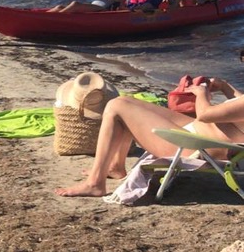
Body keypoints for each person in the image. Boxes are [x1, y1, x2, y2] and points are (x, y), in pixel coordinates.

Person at [56, 78, 244, 197]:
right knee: (127, 101)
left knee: (116, 106)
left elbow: (204, 114)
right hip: (199, 135)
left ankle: (95, 183)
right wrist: (226, 87)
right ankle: (115, 167)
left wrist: (202, 94)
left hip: (197, 148)